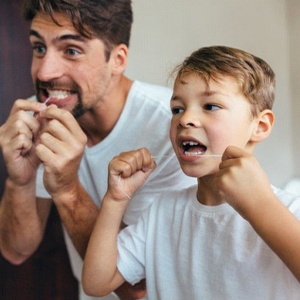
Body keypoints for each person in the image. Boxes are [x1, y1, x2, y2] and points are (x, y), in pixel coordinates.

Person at [0, 1, 195, 299]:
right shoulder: (38, 121)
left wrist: (67, 190)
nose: (45, 72)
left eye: (71, 50)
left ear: (117, 59)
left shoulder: (175, 129)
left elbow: (139, 288)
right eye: (39, 48)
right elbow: (15, 249)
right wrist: (20, 181)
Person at [82, 46, 300, 299]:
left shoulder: (291, 210)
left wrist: (259, 204)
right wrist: (115, 200)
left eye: (210, 106)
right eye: (177, 109)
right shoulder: (162, 212)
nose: (185, 119)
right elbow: (96, 283)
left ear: (260, 126)